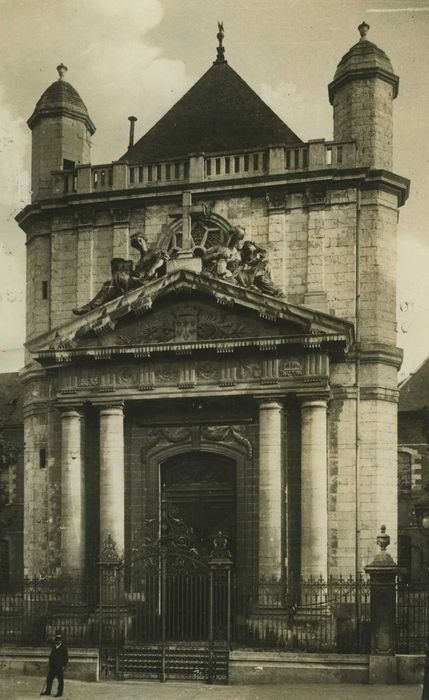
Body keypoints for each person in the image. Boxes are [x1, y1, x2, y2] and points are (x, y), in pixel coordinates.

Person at [41, 633, 69, 697]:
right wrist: (50, 663)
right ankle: (48, 691)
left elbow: (66, 658)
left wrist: (63, 666)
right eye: (57, 640)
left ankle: (59, 693)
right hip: (53, 667)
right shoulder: (54, 647)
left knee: (60, 680)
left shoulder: (63, 648)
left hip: (59, 667)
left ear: (61, 640)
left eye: (59, 640)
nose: (58, 641)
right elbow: (51, 656)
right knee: (49, 679)